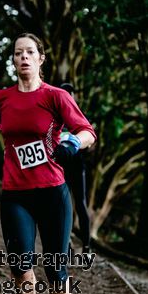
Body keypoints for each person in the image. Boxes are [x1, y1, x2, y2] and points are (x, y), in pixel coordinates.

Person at [0, 33, 96, 294]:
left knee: (56, 266)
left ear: (41, 58)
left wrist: (73, 143)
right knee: (19, 263)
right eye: (17, 53)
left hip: (53, 194)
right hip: (16, 195)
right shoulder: (1, 98)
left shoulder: (55, 97)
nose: (23, 57)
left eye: (30, 52)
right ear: (13, 60)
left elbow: (87, 132)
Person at [59, 83, 92, 255]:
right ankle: (68, 242)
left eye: (71, 94)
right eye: (66, 94)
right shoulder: (55, 115)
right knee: (63, 204)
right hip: (61, 167)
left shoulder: (79, 115)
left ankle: (86, 245)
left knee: (80, 203)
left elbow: (89, 141)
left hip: (78, 166)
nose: (69, 97)